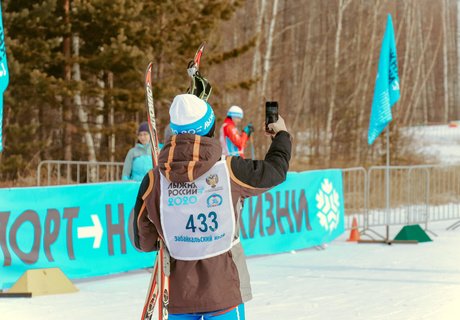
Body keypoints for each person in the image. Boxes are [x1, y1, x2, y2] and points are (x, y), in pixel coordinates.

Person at [133, 93, 291, 320]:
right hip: (223, 291)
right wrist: (281, 135)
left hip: (177, 295)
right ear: (209, 128)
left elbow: (143, 241)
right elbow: (276, 170)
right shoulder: (230, 171)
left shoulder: (153, 180)